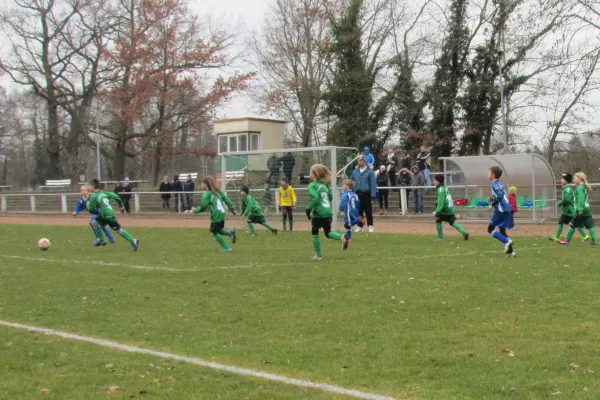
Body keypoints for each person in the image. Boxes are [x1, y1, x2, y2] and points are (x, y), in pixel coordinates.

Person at [87, 178, 139, 251]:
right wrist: (121, 205)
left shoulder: (94, 196)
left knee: (116, 229)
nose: (88, 188)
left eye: (89, 186)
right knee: (95, 222)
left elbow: (91, 210)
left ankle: (101, 239)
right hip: (109, 213)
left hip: (106, 215)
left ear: (93, 186)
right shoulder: (105, 193)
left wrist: (88, 205)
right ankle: (133, 241)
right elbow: (116, 196)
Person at [306, 164, 343, 260]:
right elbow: (330, 197)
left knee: (314, 232)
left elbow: (315, 197)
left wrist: (308, 209)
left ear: (314, 174)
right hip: (327, 212)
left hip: (318, 213)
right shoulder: (325, 185)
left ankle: (318, 255)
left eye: (310, 171)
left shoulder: (312, 185)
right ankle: (341, 237)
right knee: (327, 233)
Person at [192, 176, 237, 252]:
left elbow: (203, 206)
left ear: (205, 184)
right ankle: (230, 233)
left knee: (214, 232)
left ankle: (227, 248)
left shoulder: (207, 193)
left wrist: (195, 210)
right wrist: (232, 209)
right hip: (222, 214)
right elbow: (227, 200)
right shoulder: (218, 192)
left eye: (202, 183)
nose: (201, 185)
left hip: (216, 215)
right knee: (218, 230)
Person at [558, 172, 598, 246]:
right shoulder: (584, 187)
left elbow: (581, 199)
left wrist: (580, 208)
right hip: (587, 210)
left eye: (575, 178)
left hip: (581, 210)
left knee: (572, 225)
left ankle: (566, 241)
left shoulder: (579, 188)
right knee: (590, 226)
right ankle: (594, 241)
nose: (573, 179)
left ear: (579, 179)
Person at [550, 173, 588, 242]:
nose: (561, 180)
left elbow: (567, 199)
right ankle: (556, 237)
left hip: (569, 210)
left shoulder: (568, 189)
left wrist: (560, 203)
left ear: (566, 180)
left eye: (562, 179)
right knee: (561, 222)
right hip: (566, 210)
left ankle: (584, 236)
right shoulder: (566, 188)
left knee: (574, 223)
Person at [487, 166, 515, 257]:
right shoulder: (499, 183)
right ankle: (511, 252)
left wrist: (492, 204)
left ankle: (507, 241)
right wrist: (491, 199)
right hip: (506, 208)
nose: (488, 174)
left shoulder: (494, 185)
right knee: (502, 230)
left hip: (500, 210)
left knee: (490, 229)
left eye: (489, 173)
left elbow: (500, 195)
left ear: (493, 175)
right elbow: (501, 195)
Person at [433, 174, 469, 241]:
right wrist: (437, 201)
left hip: (445, 208)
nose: (434, 182)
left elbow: (442, 200)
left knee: (438, 220)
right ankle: (464, 232)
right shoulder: (444, 188)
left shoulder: (440, 189)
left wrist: (438, 210)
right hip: (450, 208)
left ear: (438, 181)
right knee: (452, 222)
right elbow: (444, 198)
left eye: (434, 180)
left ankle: (440, 237)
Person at [351, 156, 376, 232]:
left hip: (366, 193)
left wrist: (373, 195)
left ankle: (370, 225)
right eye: (358, 161)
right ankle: (359, 225)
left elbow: (373, 183)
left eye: (360, 161)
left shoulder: (370, 171)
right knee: (359, 211)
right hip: (357, 193)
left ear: (364, 161)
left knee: (368, 210)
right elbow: (352, 181)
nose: (359, 162)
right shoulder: (355, 171)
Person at [339, 179, 364, 249]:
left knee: (347, 225)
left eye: (344, 185)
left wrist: (340, 209)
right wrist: (357, 211)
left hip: (348, 212)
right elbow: (358, 202)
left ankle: (357, 220)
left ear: (348, 186)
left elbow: (343, 202)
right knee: (348, 226)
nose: (343, 186)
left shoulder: (346, 194)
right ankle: (349, 238)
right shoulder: (355, 194)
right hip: (355, 211)